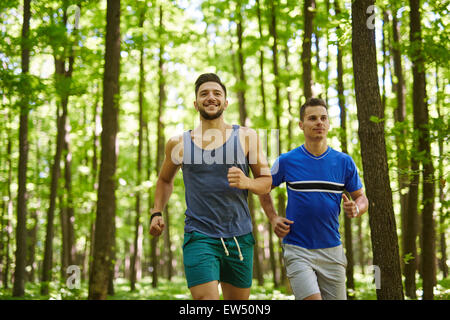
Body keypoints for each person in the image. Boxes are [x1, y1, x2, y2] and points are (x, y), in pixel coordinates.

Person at [149, 73, 272, 300]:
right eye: (204, 94)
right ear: (196, 104)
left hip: (239, 235)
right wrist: (157, 211)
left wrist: (247, 182)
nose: (211, 97)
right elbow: (164, 180)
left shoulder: (247, 137)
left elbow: (266, 183)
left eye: (217, 93)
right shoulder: (179, 143)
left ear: (225, 102)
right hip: (200, 235)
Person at [259, 97, 369, 300]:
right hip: (297, 249)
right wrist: (273, 217)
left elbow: (361, 197)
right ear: (302, 125)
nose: (319, 122)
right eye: (312, 118)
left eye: (323, 118)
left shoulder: (344, 162)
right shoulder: (286, 161)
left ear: (328, 123)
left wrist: (357, 208)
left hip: (332, 249)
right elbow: (263, 188)